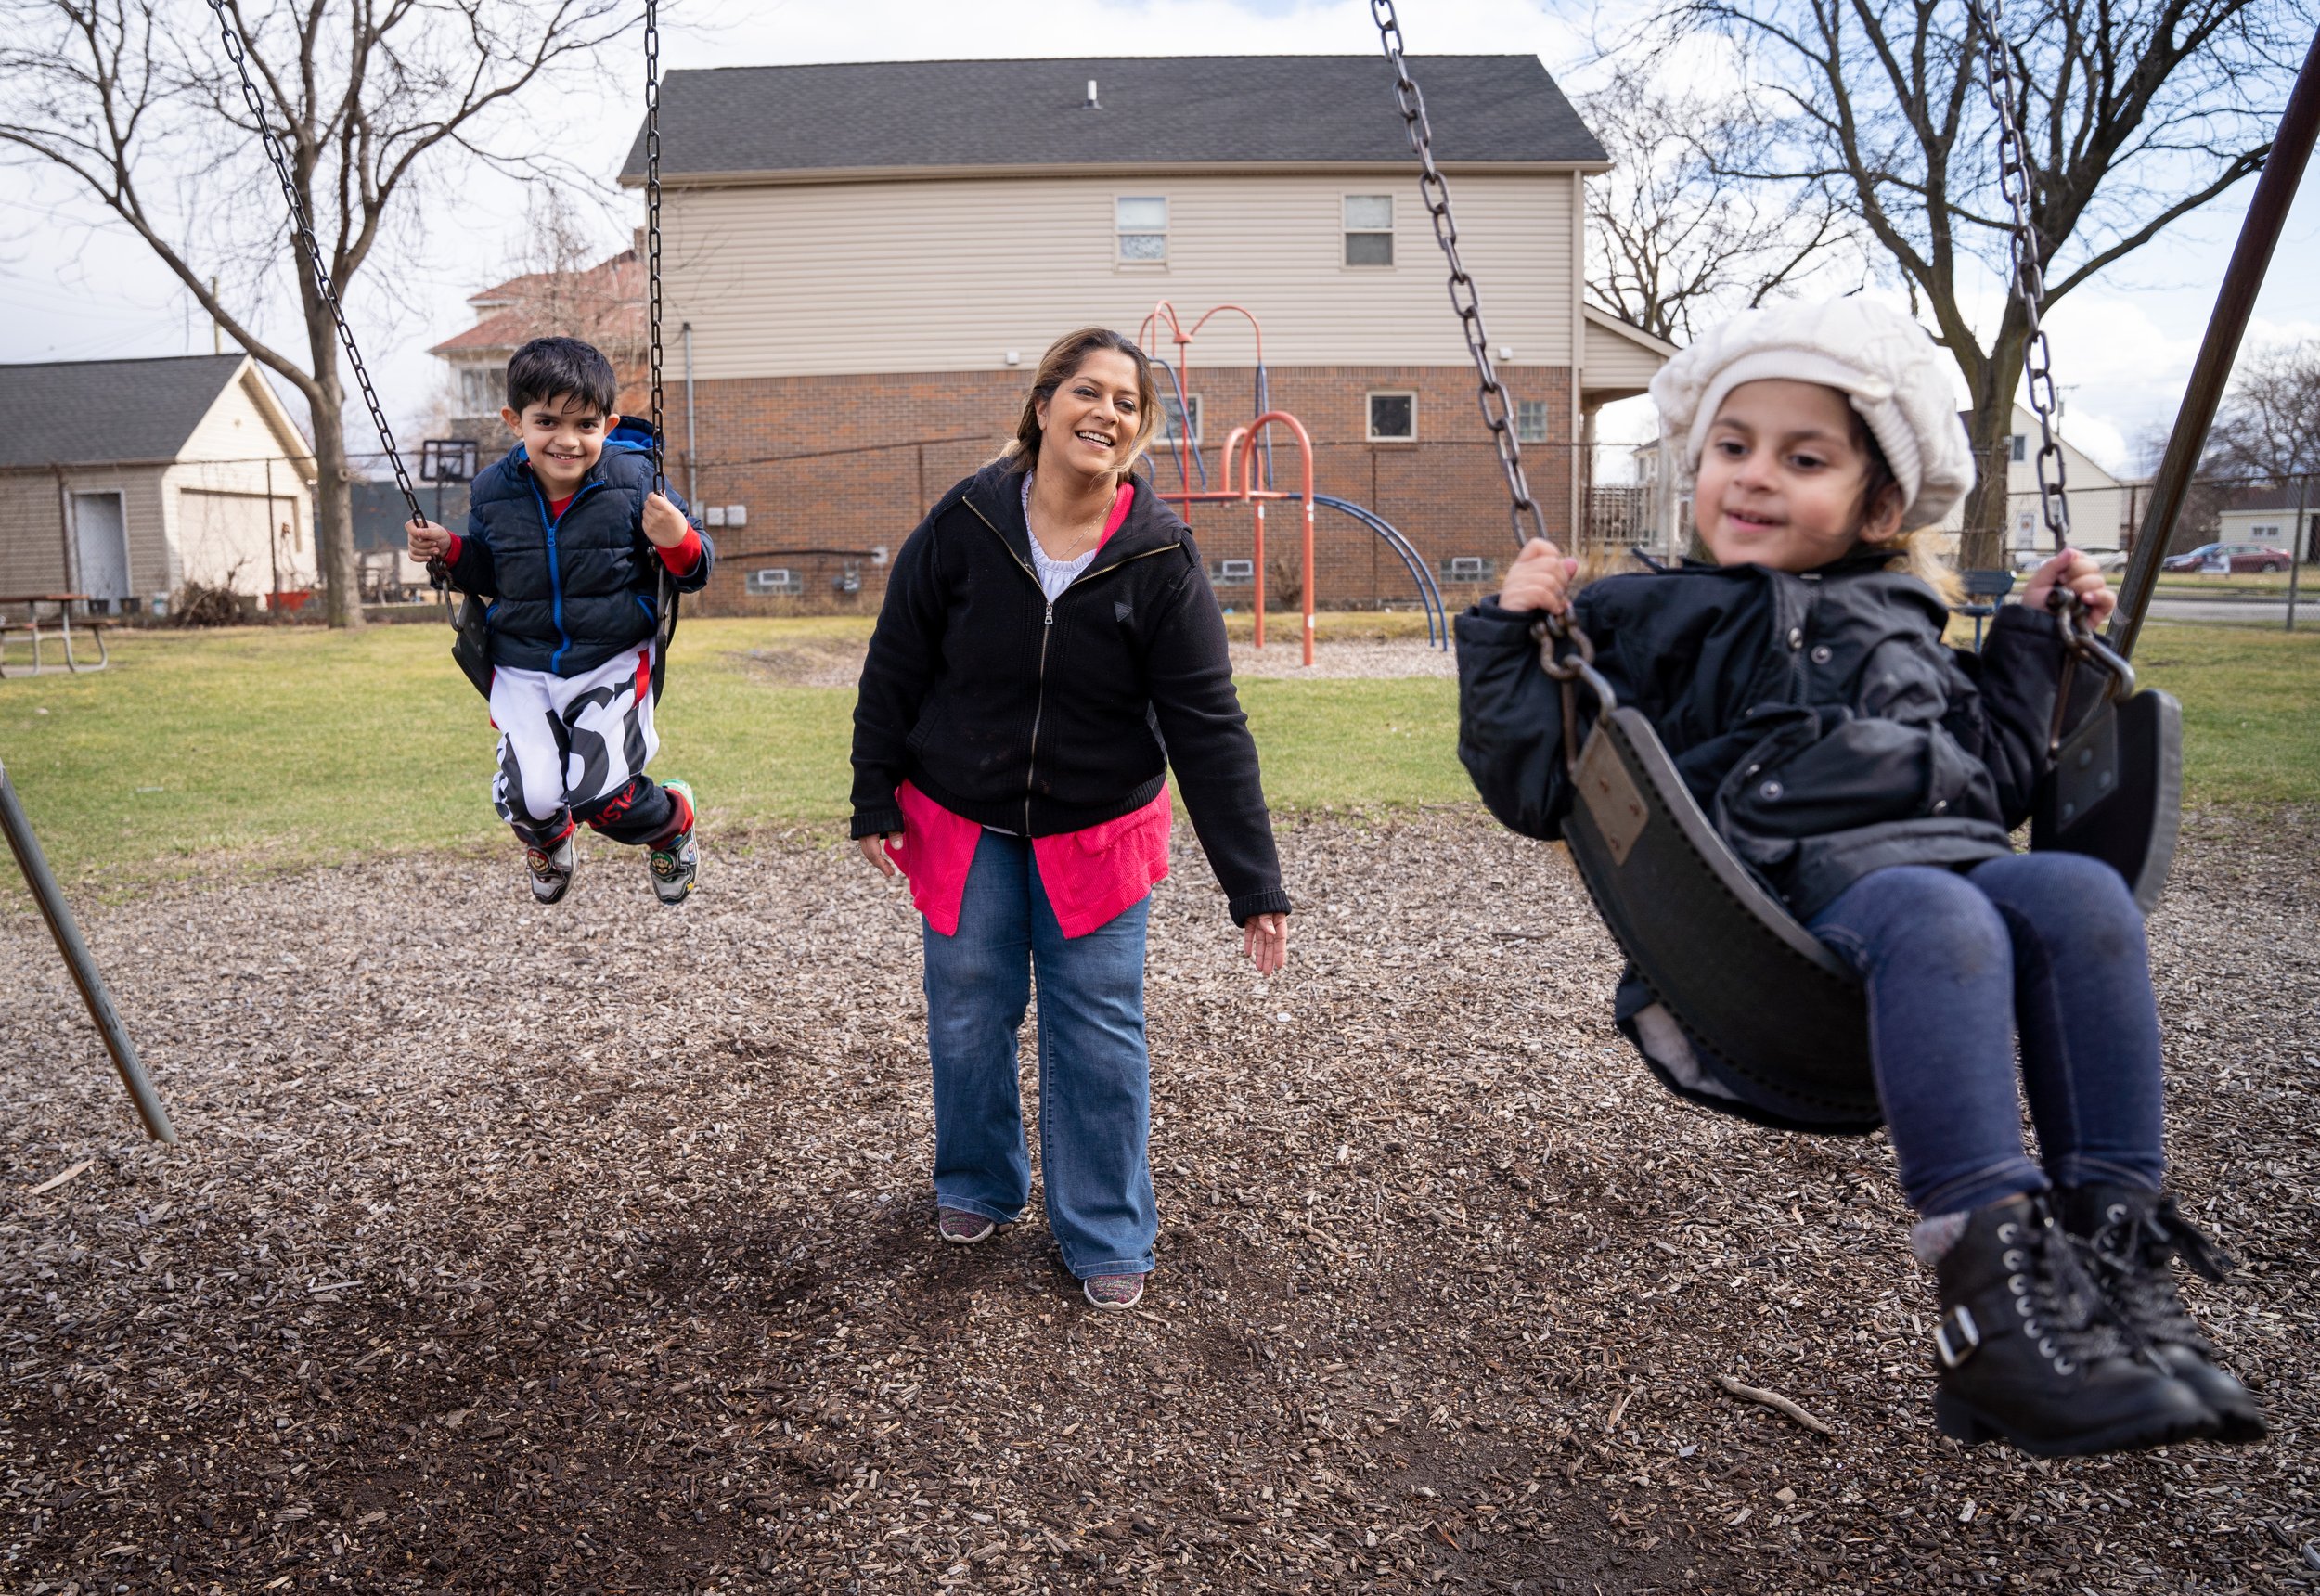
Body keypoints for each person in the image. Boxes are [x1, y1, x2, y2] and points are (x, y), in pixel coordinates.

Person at [1457, 298, 2264, 1458]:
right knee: (1944, 912)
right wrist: (1502, 636)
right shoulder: (1644, 618)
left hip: (1950, 867)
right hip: (1772, 914)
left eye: (1802, 457)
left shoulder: (1909, 625)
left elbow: (1992, 780)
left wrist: (2037, 640)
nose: (1752, 477)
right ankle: (1989, 1306)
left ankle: (2112, 1272)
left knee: (2080, 896)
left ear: (1877, 504)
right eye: (1731, 448)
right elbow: (1533, 785)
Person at [850, 327, 1291, 1312]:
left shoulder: (1159, 556)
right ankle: (977, 1182)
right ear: (1044, 404)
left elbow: (1208, 727)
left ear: (1138, 431)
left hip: (1097, 829)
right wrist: (872, 789)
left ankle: (1104, 1228)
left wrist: (1252, 883)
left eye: (1127, 402)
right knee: (968, 1015)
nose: (1106, 412)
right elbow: (897, 658)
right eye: (1086, 391)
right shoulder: (966, 519)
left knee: (1098, 1031)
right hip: (963, 815)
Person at [406, 336, 715, 906]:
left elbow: (694, 570)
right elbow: (491, 571)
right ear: (513, 420)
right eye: (547, 421)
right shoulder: (493, 489)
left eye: (586, 425)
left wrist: (680, 541)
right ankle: (548, 838)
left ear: (608, 423)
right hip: (521, 659)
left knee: (603, 800)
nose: (567, 440)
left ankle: (672, 820)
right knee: (534, 799)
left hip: (611, 656)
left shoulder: (636, 481)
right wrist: (450, 551)